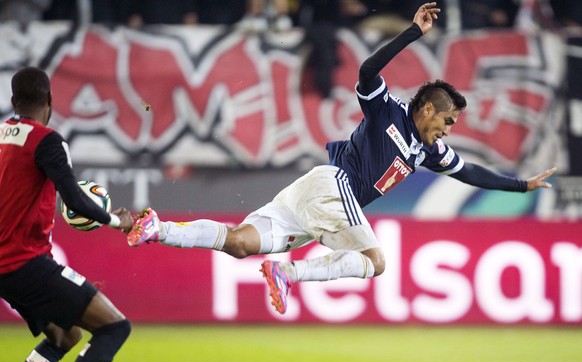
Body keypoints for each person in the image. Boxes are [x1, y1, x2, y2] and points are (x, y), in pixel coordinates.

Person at [126, 2, 557, 315]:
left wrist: (523, 185)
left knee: (240, 243)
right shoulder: (386, 110)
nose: (448, 130)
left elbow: (472, 173)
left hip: (314, 197)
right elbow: (367, 72)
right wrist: (412, 33)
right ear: (427, 109)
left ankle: (156, 227)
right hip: (333, 187)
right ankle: (288, 275)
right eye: (447, 121)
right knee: (377, 262)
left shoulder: (429, 150)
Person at [0, 67, 134, 362]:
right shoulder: (47, 141)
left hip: (7, 266)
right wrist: (117, 220)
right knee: (114, 328)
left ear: (13, 100)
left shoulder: (4, 137)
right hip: (26, 263)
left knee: (64, 335)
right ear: (49, 99)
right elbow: (74, 201)